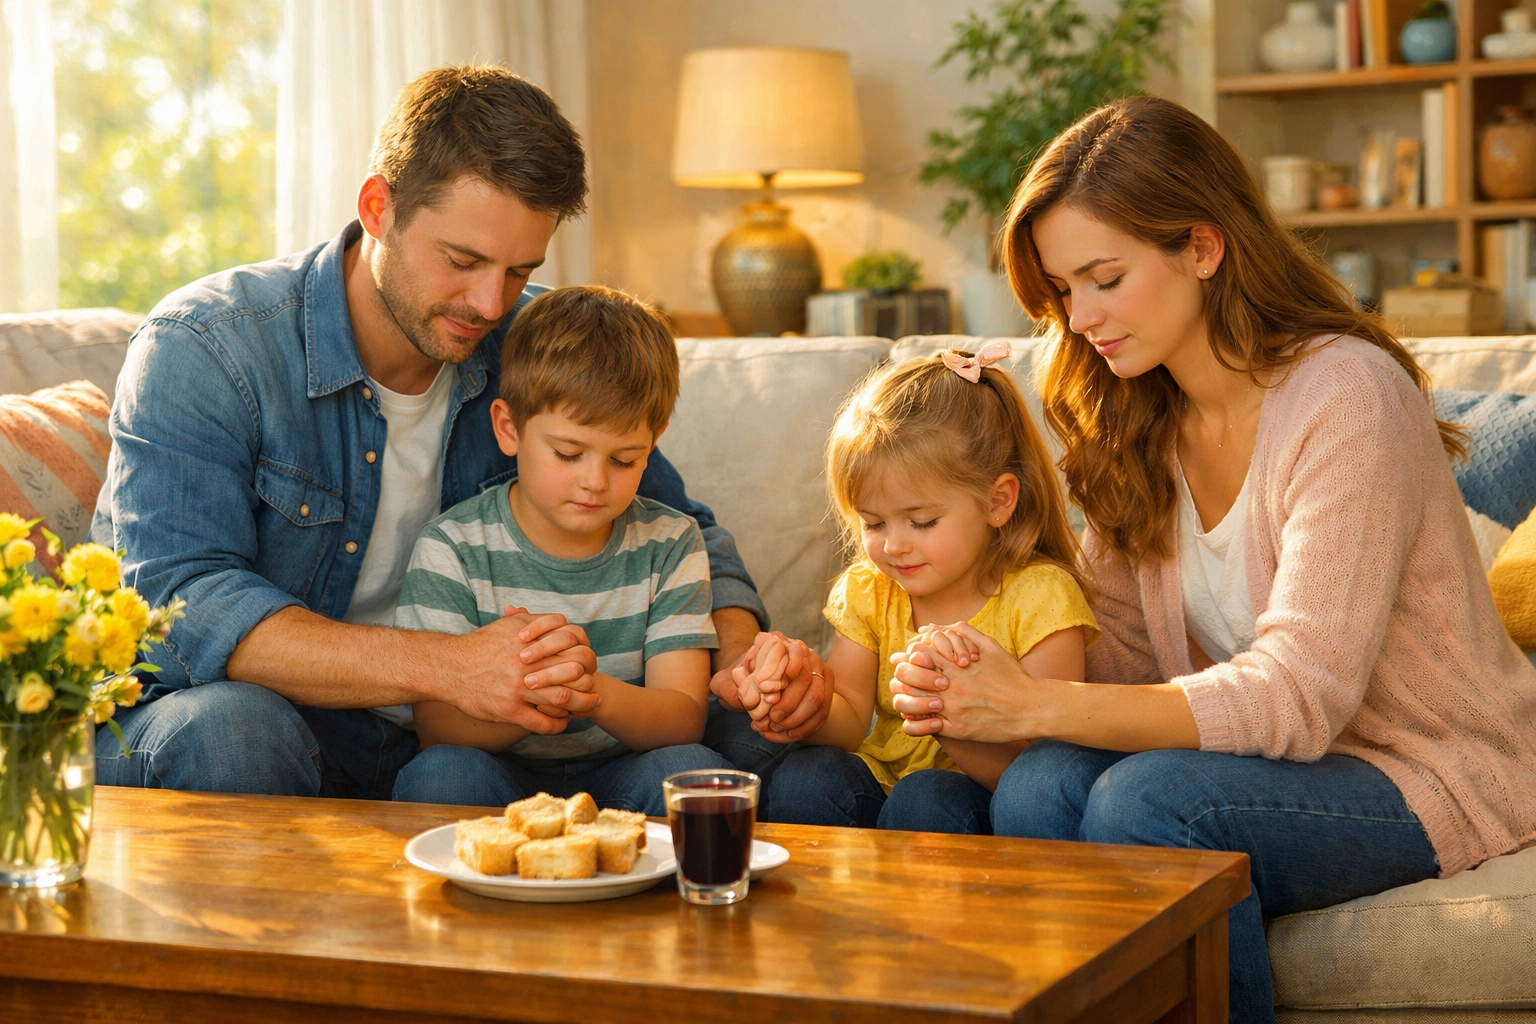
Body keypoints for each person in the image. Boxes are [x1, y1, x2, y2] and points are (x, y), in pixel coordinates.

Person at [886, 96, 1536, 1024]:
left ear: (1202, 245)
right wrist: (973, 690)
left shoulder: (1346, 397)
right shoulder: (1137, 415)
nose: (1082, 318)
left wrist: (1037, 701)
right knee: (1038, 786)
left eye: (1104, 278)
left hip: (1428, 766)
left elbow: (1299, 697)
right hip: (1270, 769)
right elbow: (1123, 667)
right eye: (1065, 290)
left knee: (1152, 805)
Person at [89, 64, 826, 798]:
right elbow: (184, 598)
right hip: (249, 715)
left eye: (518, 270)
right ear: (378, 207)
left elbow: (683, 526)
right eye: (463, 260)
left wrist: (744, 660)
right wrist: (446, 666)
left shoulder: (533, 338)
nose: (488, 303)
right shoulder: (207, 346)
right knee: (235, 731)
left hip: (471, 743)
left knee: (760, 749)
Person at [389, 286, 732, 811]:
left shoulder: (671, 542)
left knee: (690, 775)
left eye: (624, 460)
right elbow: (439, 727)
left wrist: (591, 693)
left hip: (623, 770)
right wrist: (531, 695)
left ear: (654, 440)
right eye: (568, 453)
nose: (595, 482)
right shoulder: (453, 547)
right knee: (441, 774)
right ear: (509, 428)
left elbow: (684, 717)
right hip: (500, 772)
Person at [729, 347, 1098, 829]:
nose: (895, 546)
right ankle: (826, 905)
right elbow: (849, 717)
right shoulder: (870, 589)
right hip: (880, 783)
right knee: (806, 775)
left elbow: (1043, 781)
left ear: (998, 501)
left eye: (922, 521)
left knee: (926, 796)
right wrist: (800, 700)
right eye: (874, 522)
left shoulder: (1041, 598)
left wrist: (947, 720)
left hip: (980, 797)